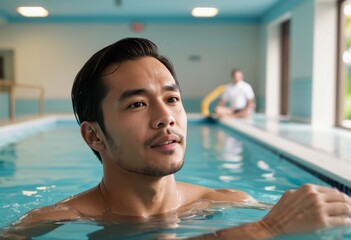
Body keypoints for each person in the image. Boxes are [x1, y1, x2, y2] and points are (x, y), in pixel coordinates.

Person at [1, 37, 350, 239]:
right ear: (94, 135)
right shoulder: (53, 218)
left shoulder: (225, 200)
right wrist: (265, 230)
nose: (165, 117)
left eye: (172, 99)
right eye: (137, 103)